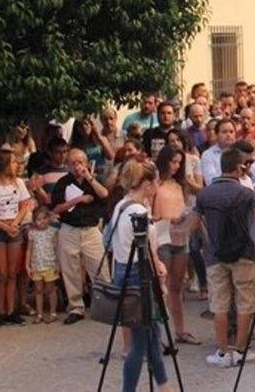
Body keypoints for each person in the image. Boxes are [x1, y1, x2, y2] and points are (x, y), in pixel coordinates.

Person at [110, 158, 172, 392]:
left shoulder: (121, 205)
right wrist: (160, 277)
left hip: (122, 269)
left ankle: (164, 385)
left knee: (152, 336)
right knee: (140, 341)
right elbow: (148, 251)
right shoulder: (139, 212)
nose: (157, 186)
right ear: (146, 183)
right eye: (155, 181)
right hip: (138, 274)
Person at [195, 147, 255, 367]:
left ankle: (222, 352)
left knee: (219, 304)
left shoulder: (205, 193)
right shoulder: (247, 194)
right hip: (244, 254)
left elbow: (193, 223)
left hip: (215, 256)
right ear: (239, 167)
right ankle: (241, 350)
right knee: (245, 302)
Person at [50, 148, 109, 325]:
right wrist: (78, 200)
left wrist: (89, 177)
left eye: (80, 162)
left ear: (86, 162)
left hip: (91, 230)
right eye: (73, 163)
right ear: (67, 165)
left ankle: (106, 305)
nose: (77, 166)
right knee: (70, 269)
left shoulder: (94, 181)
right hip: (69, 229)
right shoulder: (63, 183)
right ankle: (76, 306)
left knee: (99, 268)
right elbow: (56, 208)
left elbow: (104, 195)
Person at [0, 146, 33, 327]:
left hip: (13, 227)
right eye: (12, 162)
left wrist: (15, 223)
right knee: (1, 272)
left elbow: (25, 204)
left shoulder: (18, 183)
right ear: (4, 164)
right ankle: (0, 311)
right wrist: (4, 226)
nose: (16, 165)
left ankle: (12, 310)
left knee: (12, 272)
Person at [154, 145, 199, 345]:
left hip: (180, 236)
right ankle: (159, 333)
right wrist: (166, 218)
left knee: (176, 285)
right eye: (172, 161)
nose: (175, 166)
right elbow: (151, 212)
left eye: (179, 162)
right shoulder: (155, 183)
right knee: (161, 286)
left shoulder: (180, 184)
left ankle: (180, 330)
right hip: (162, 235)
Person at [25, 207, 60, 324]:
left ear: (48, 218)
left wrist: (57, 263)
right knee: (38, 290)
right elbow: (29, 250)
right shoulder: (32, 233)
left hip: (49, 264)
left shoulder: (52, 231)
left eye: (44, 218)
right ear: (34, 221)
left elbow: (56, 248)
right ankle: (39, 313)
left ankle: (53, 312)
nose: (42, 221)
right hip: (36, 265)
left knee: (50, 289)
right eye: (38, 219)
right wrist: (27, 265)